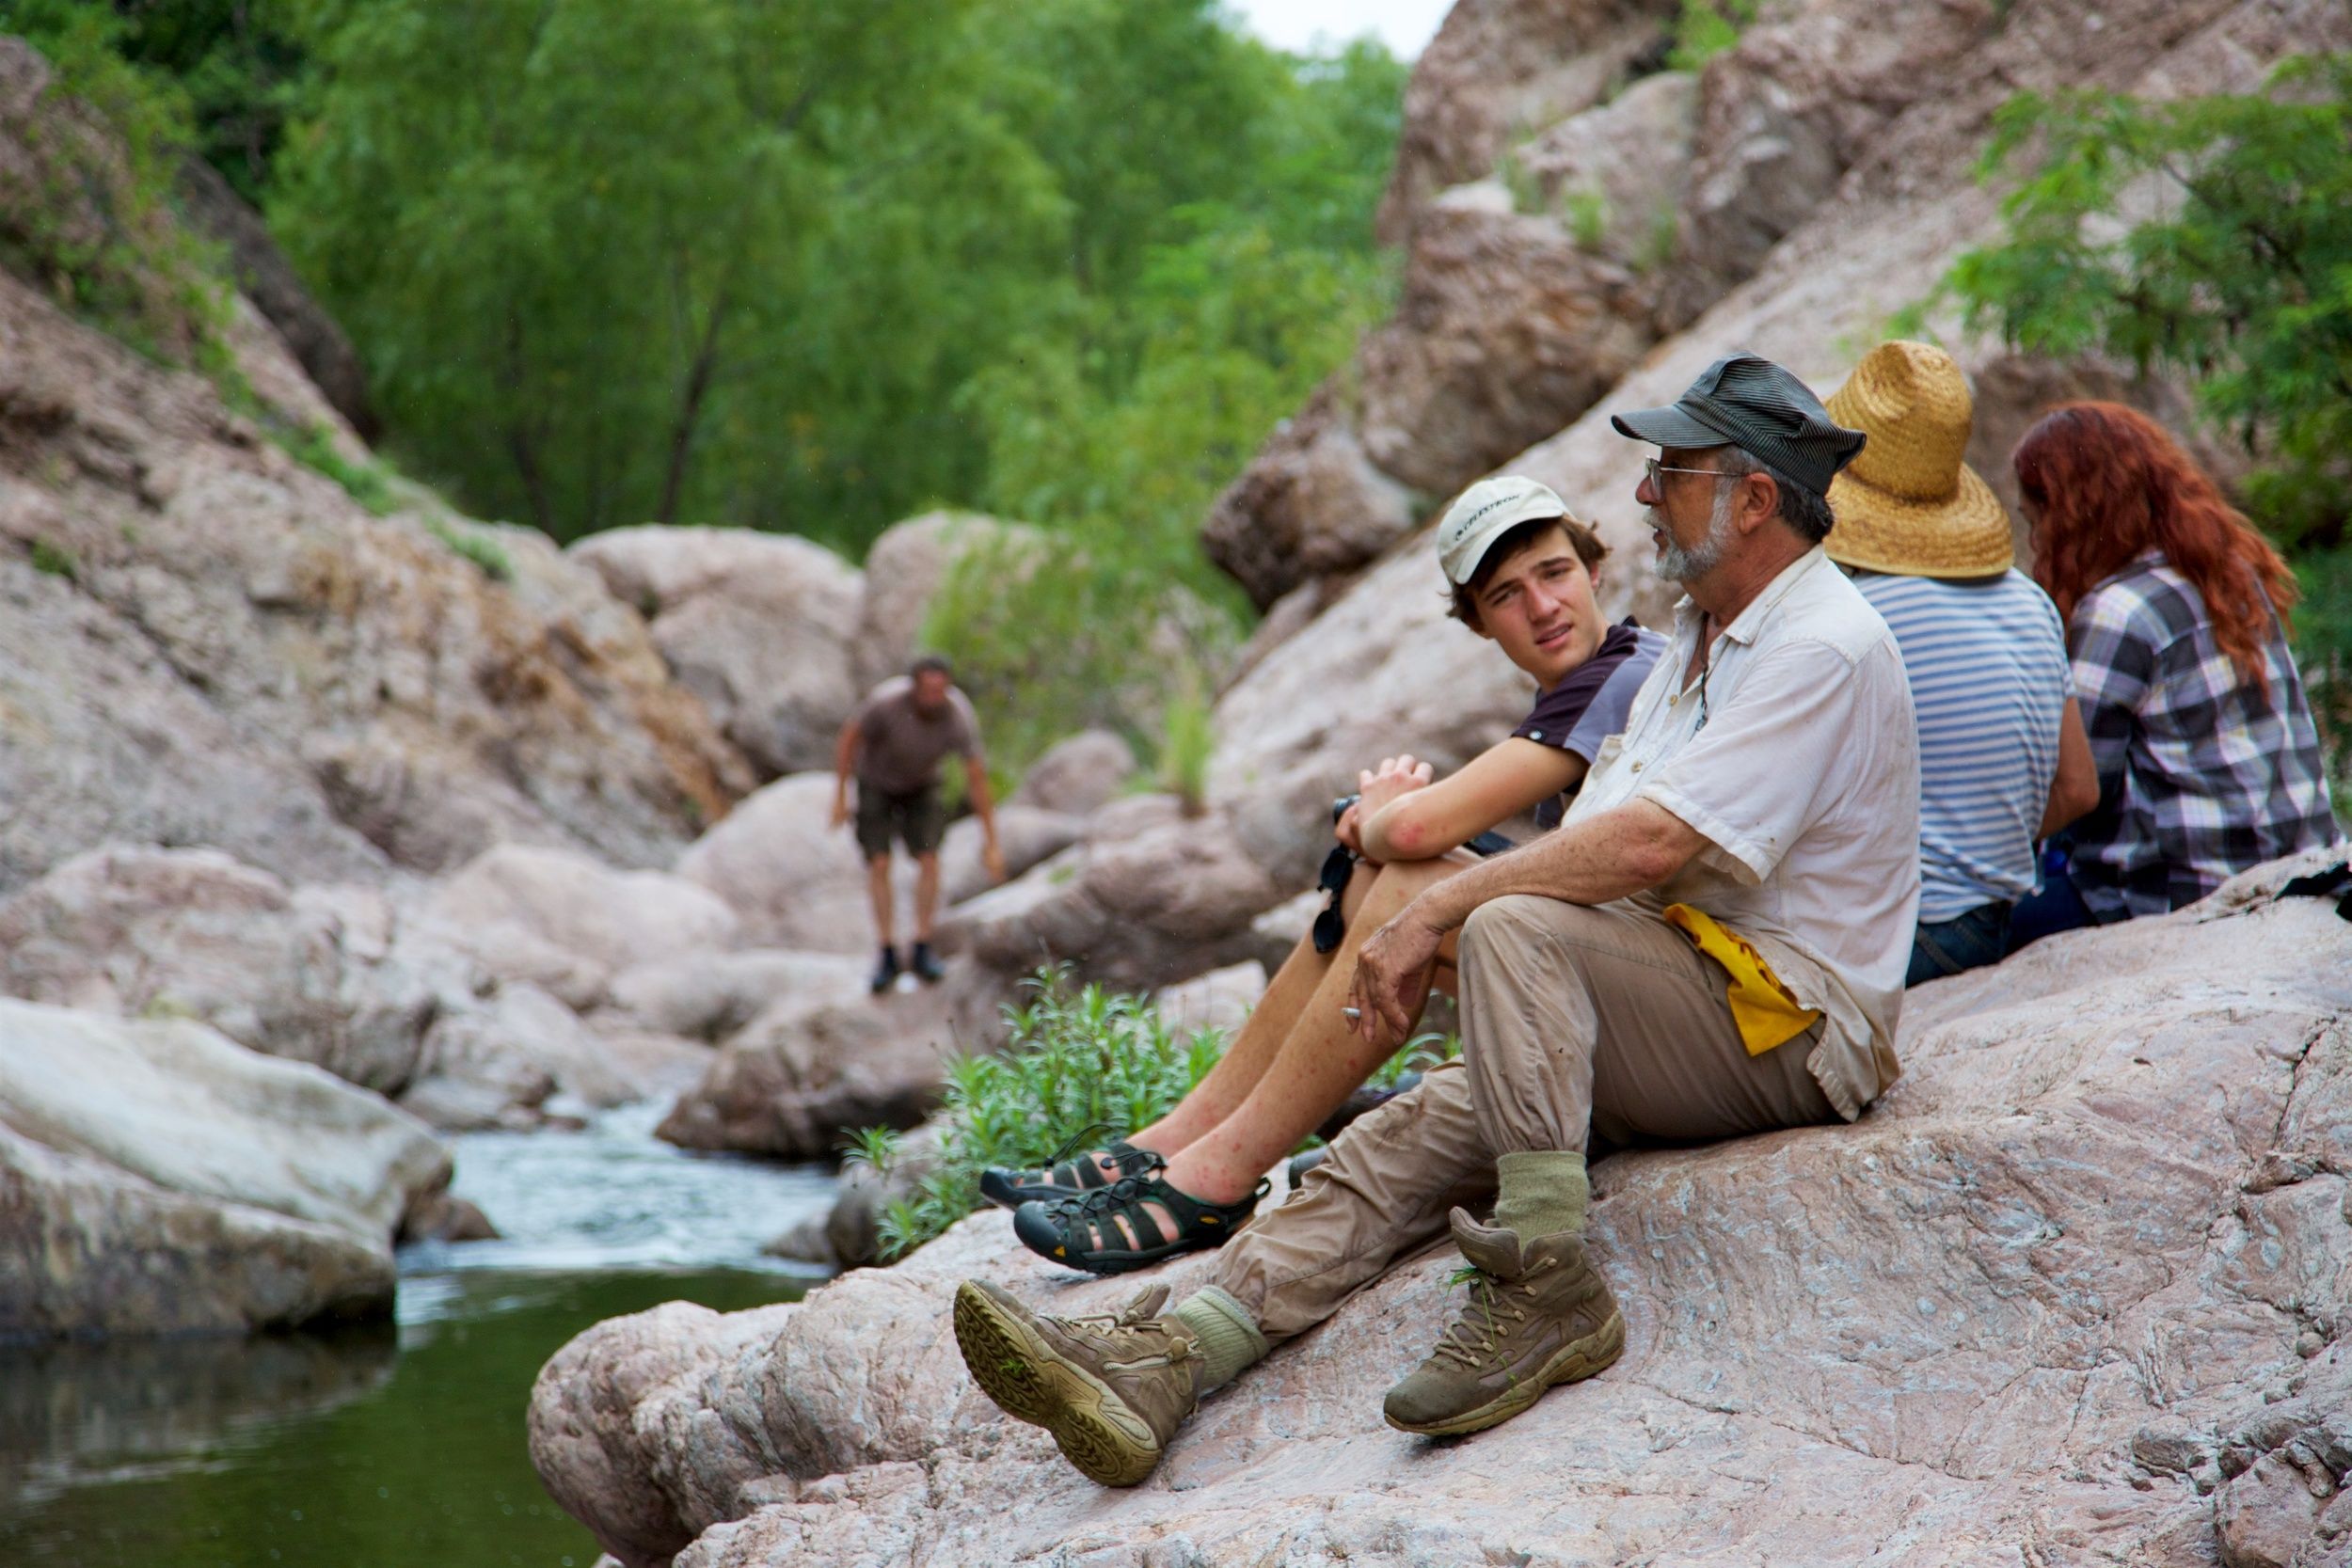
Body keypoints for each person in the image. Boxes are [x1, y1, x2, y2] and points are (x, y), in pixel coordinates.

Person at [949, 351, 1920, 1487]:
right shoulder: (1704, 632)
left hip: (1789, 1025)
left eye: (1674, 470)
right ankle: (1170, 1353)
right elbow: (1612, 837)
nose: (1648, 492)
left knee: (1511, 922)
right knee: (1392, 1144)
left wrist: (1442, 904)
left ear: (1754, 498)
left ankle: (1550, 1286)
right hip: (1674, 992)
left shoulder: (1821, 642)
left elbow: (1648, 845)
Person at [981, 477, 1667, 1275]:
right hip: (1621, 980)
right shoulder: (1593, 685)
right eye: (1507, 594)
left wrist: (1376, 813)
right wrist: (1377, 832)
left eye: (1555, 572)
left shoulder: (1622, 673)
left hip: (1671, 1013)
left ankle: (1216, 1177)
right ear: (1478, 622)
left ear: (1594, 570)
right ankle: (1176, 1143)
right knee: (1373, 876)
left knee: (1406, 876)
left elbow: (1415, 826)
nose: (1543, 606)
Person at [1818, 341, 2099, 982]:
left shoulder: (1858, 615)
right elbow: (2079, 788)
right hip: (1998, 919)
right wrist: (1983, 850)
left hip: (1903, 933)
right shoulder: (2030, 600)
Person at [2006, 403, 2338, 945]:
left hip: (2188, 895)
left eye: (2034, 520)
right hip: (2302, 868)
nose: (2037, 542)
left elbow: (2075, 791)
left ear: (2071, 515)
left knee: (1984, 926)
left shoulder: (2119, 612)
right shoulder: (2229, 570)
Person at [830, 655, 1006, 992]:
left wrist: (991, 840)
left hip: (922, 786)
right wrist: (840, 793)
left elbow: (976, 777)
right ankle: (886, 951)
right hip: (876, 782)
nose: (933, 698)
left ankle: (922, 945)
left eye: (940, 690)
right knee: (879, 862)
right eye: (927, 690)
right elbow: (850, 737)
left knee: (930, 859)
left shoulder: (958, 717)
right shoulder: (885, 704)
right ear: (913, 688)